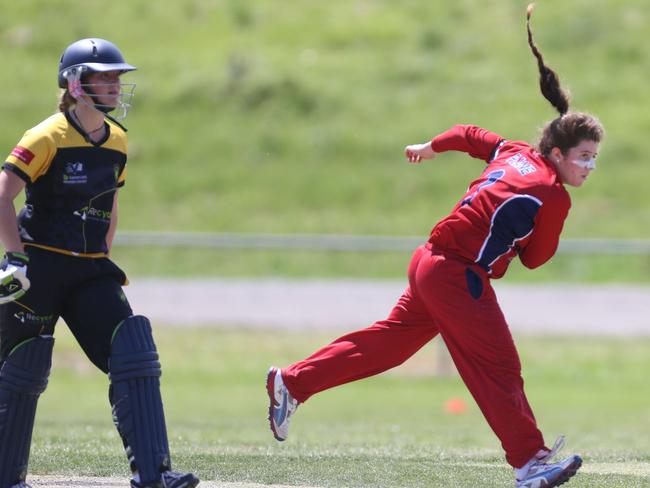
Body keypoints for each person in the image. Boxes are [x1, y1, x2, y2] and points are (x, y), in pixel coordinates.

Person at [266, 5, 603, 488]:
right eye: (584, 157)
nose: (589, 167)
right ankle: (530, 461)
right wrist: (536, 227)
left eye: (594, 159)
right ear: (556, 154)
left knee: (387, 346)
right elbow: (536, 258)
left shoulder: (514, 151)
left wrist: (429, 146)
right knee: (498, 364)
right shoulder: (552, 193)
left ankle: (292, 382)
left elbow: (468, 134)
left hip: (428, 261)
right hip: (455, 273)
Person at [0, 38, 199, 488]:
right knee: (22, 365)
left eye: (117, 77)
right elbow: (3, 195)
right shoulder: (46, 136)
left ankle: (154, 475)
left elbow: (110, 202)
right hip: (40, 267)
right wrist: (13, 257)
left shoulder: (118, 141)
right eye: (104, 77)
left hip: (91, 269)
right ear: (75, 83)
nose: (114, 85)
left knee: (134, 353)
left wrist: (104, 250)